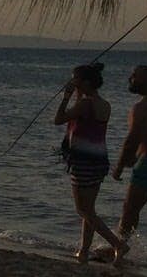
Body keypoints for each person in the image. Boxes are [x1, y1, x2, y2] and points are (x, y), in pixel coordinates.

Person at [53, 62, 126, 263]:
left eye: (75, 79)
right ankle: (84, 251)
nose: (72, 82)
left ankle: (117, 244)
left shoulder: (85, 104)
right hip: (99, 159)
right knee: (90, 209)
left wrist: (66, 97)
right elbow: (84, 117)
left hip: (83, 161)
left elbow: (59, 119)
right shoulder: (104, 104)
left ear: (84, 82)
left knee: (82, 209)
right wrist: (76, 93)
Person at [112, 64, 147, 258]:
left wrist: (119, 166)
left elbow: (132, 139)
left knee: (130, 208)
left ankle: (119, 247)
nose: (130, 78)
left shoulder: (143, 107)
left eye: (135, 76)